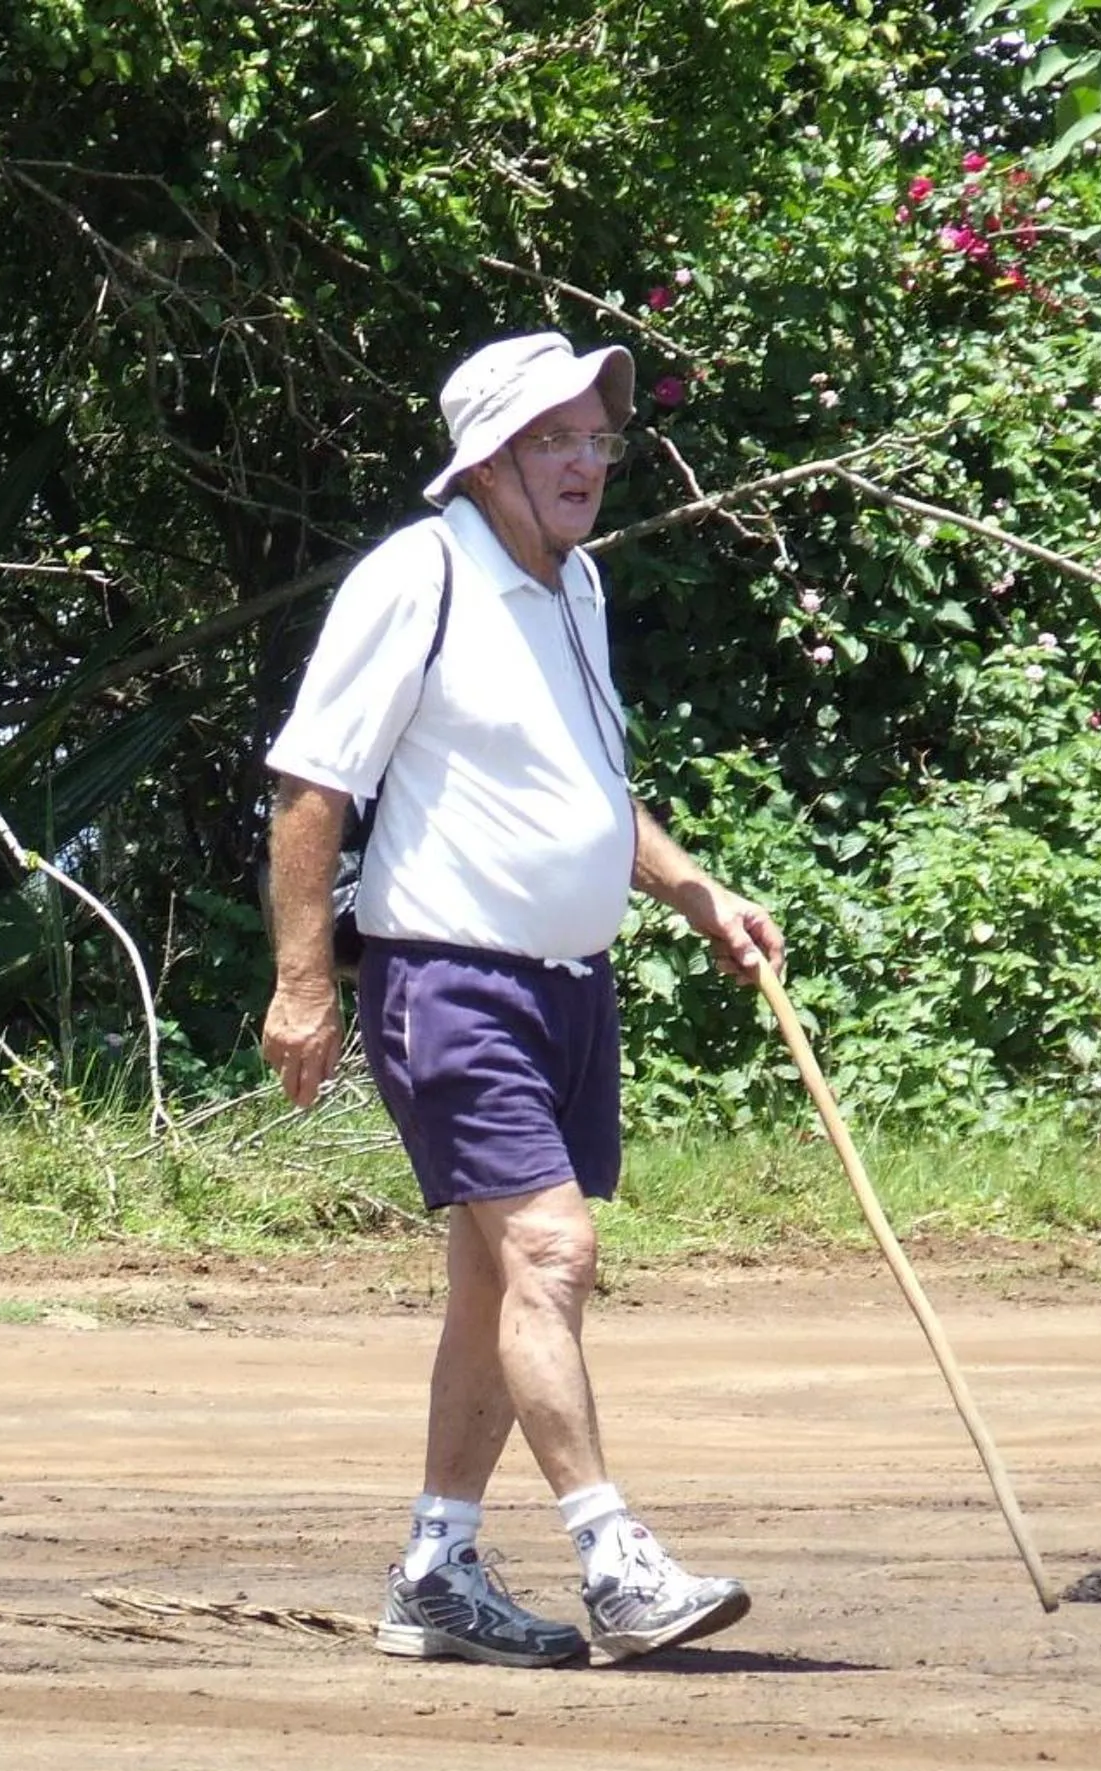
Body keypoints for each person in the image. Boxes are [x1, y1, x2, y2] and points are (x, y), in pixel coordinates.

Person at [259, 331, 784, 1669]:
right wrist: (303, 984)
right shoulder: (420, 574)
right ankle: (614, 1560)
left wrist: (694, 892)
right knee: (551, 1250)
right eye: (553, 441)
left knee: (497, 1278)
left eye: (597, 439)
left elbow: (584, 790)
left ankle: (435, 1572)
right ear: (486, 459)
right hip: (449, 980)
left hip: (569, 989)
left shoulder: (579, 589)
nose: (584, 465)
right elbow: (315, 785)